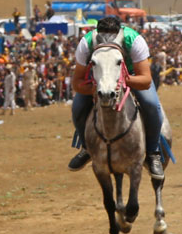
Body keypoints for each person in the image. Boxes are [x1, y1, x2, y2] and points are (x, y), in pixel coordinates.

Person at [67, 16, 166, 181]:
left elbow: (146, 79)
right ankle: (86, 148)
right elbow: (76, 82)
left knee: (151, 105)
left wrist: (123, 81)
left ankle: (153, 153)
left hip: (131, 77)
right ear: (97, 34)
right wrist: (92, 88)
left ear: (120, 34)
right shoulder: (86, 43)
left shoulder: (134, 40)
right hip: (99, 80)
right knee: (77, 107)